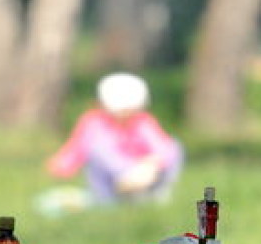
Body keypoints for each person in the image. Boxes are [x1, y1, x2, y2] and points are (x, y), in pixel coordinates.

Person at [47, 73, 184, 204]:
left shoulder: (142, 121)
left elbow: (161, 147)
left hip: (145, 176)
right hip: (111, 185)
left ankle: (153, 193)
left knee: (173, 146)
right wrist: (59, 166)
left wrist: (151, 164)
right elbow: (76, 149)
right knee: (97, 148)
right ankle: (122, 189)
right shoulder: (93, 122)